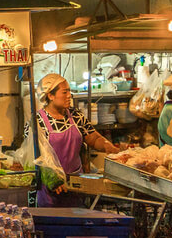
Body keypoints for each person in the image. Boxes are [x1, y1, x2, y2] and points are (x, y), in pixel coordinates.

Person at [35, 73, 120, 205]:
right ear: (50, 96)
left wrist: (109, 147)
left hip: (76, 183)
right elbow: (36, 157)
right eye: (64, 92)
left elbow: (93, 137)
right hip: (51, 188)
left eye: (69, 91)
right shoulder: (37, 122)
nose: (69, 95)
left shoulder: (75, 116)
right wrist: (53, 180)